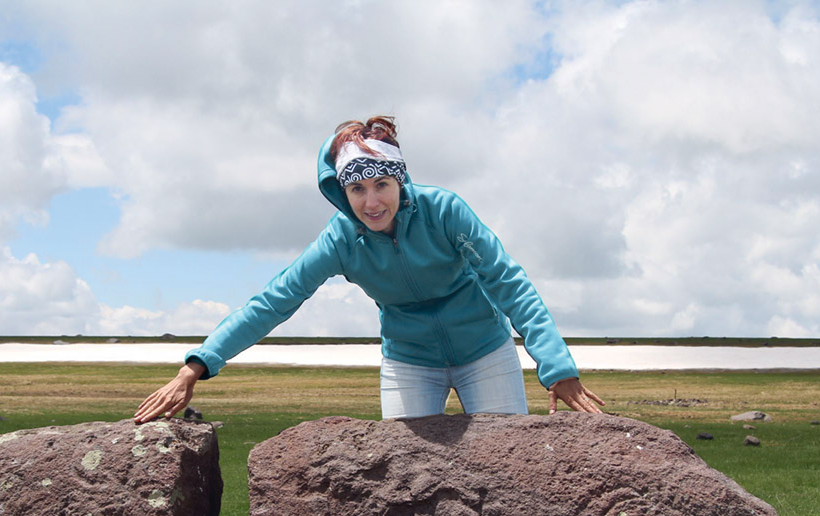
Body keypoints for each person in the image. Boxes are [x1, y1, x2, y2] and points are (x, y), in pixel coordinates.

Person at [135, 116, 603, 424]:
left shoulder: (444, 211)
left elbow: (508, 283)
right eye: (357, 189)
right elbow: (274, 302)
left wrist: (556, 367)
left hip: (486, 350)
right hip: (409, 362)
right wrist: (196, 366)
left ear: (399, 178)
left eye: (381, 183)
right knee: (406, 487)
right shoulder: (340, 240)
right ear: (342, 192)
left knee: (506, 473)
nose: (372, 201)